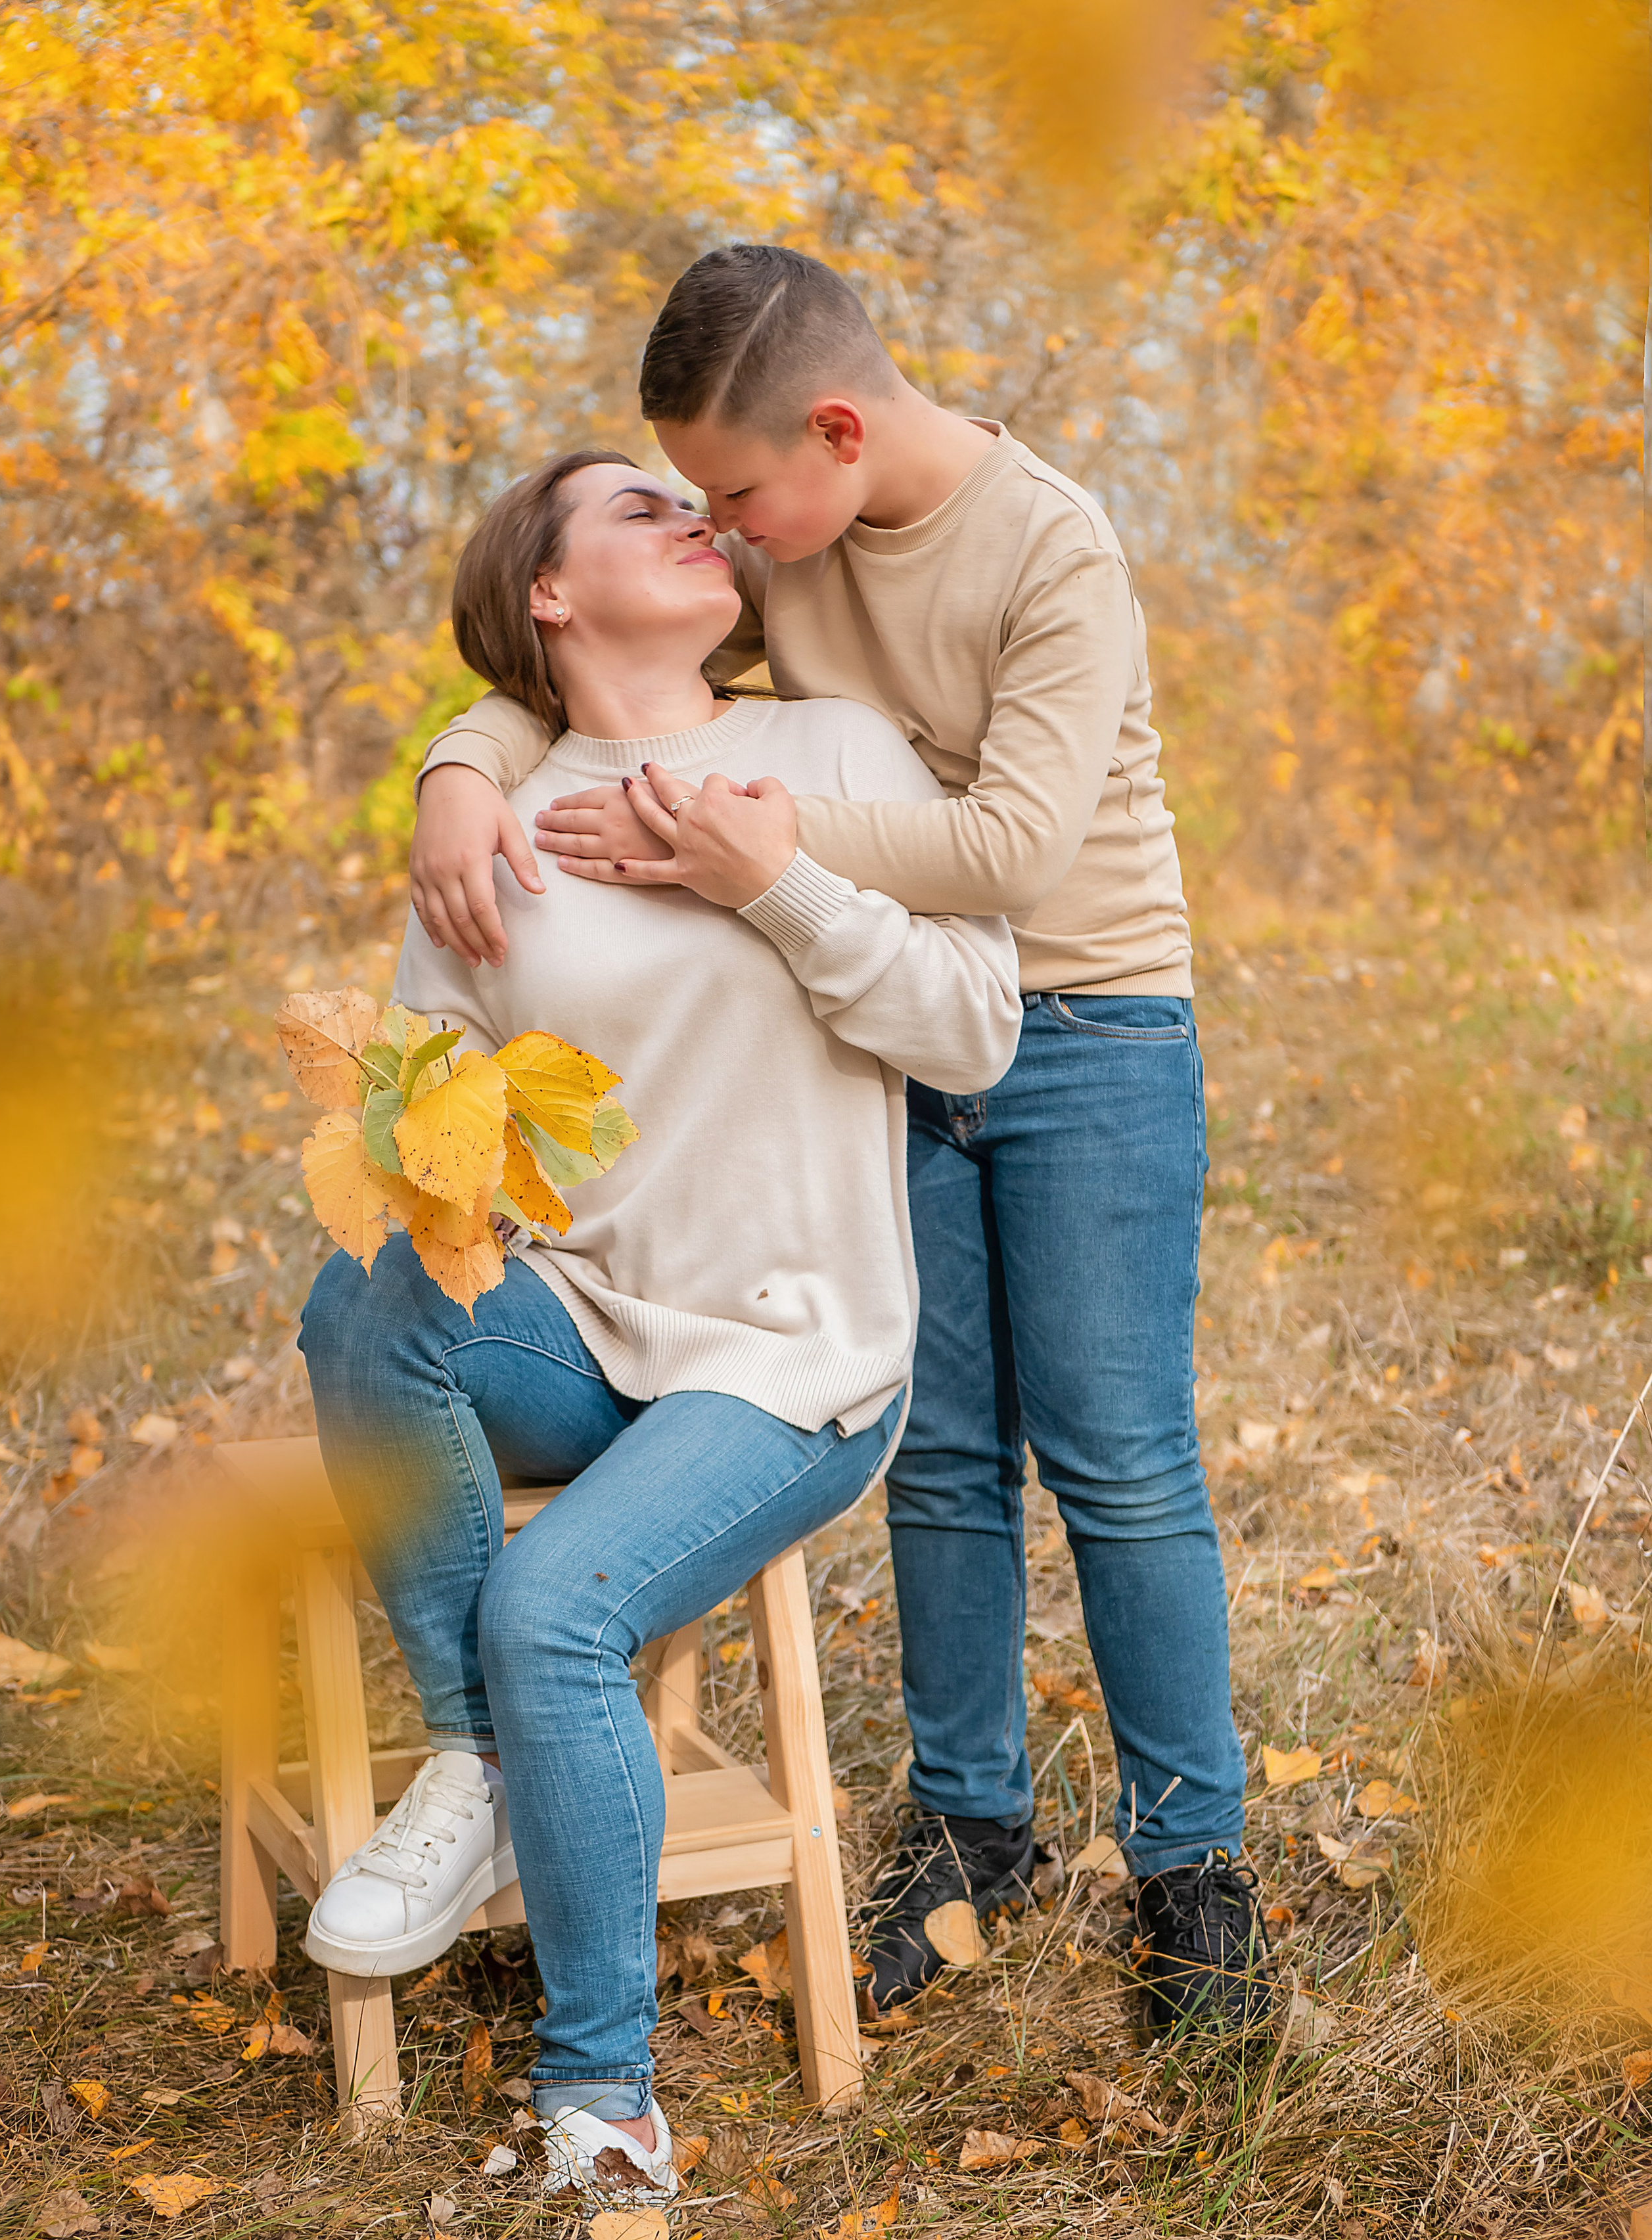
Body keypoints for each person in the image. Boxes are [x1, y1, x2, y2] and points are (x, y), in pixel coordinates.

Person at [405, 244, 1271, 2038]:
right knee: (945, 1448)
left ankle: (1194, 1862)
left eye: (730, 494)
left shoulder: (1054, 549)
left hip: (1091, 1021)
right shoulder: (792, 540)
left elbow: (1018, 855)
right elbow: (551, 652)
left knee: (1117, 1453)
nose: (718, 534)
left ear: (840, 429)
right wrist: (463, 766)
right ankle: (970, 1826)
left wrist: (763, 844)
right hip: (880, 1021)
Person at [297, 447, 1022, 2204]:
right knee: (357, 1293)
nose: (690, 513)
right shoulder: (493, 813)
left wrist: (761, 878)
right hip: (580, 1325)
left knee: (558, 1606)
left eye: (692, 501)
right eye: (634, 505)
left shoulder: (828, 750)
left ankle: (603, 2107)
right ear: (546, 592)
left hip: (788, 1354)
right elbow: (424, 1138)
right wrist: (403, 1114)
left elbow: (973, 1027)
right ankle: (476, 1760)